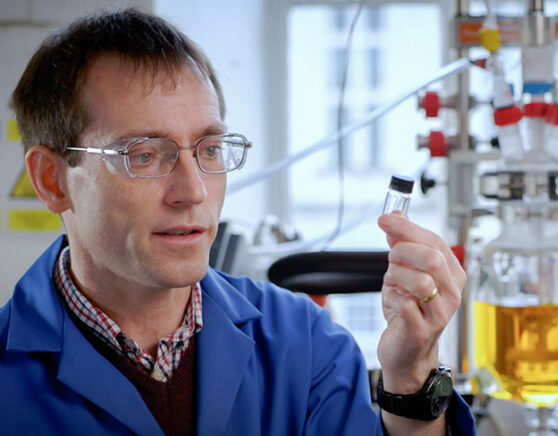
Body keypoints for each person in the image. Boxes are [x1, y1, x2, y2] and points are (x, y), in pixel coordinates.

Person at [1, 8, 475, 436]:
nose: (194, 191)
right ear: (53, 180)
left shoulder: (307, 346)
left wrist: (411, 381)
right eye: (143, 156)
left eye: (209, 150)